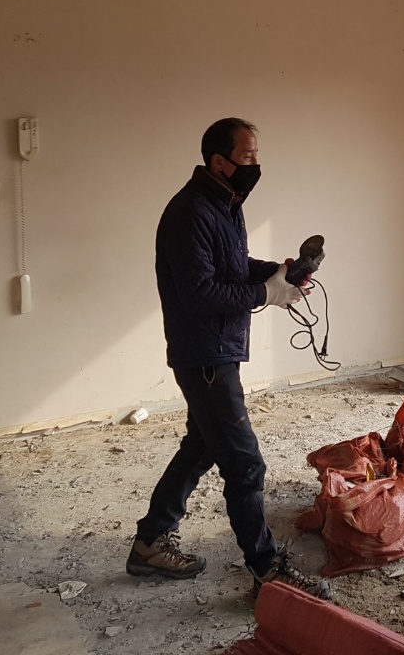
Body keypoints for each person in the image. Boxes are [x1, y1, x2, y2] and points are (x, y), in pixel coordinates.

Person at [128, 117, 334, 601]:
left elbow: (232, 268)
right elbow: (199, 293)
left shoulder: (225, 204)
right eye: (247, 157)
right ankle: (267, 571)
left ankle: (151, 541)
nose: (255, 165)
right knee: (244, 464)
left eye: (256, 156)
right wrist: (266, 292)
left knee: (202, 446)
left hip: (217, 347)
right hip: (204, 353)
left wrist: (278, 271)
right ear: (219, 161)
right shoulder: (190, 212)